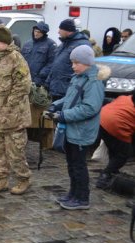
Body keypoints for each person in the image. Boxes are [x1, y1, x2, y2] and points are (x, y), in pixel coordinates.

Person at [44, 45, 109, 210]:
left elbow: (90, 108)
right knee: (72, 164)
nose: (73, 66)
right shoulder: (78, 77)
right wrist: (55, 106)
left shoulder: (94, 82)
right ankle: (73, 193)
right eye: (72, 62)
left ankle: (82, 198)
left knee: (79, 166)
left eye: (76, 63)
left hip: (82, 131)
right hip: (72, 130)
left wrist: (64, 115)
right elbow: (69, 98)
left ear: (86, 63)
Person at [0, 25, 32, 195]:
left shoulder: (16, 59)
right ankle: (1, 180)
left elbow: (23, 87)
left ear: (4, 42)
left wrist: (7, 108)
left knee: (15, 151)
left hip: (13, 117)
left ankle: (23, 179)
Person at [96, 90, 135, 188]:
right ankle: (105, 175)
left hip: (101, 119)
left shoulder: (124, 97)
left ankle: (112, 170)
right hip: (116, 124)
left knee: (114, 147)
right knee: (124, 153)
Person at [45, 19, 90, 101]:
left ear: (67, 30)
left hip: (67, 90)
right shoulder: (64, 44)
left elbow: (83, 68)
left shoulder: (81, 44)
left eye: (60, 29)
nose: (58, 32)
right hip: (56, 88)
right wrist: (47, 82)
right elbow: (56, 64)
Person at [21, 21, 57, 87]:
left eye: (39, 32)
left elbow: (51, 63)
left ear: (43, 33)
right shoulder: (27, 44)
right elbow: (21, 61)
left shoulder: (51, 45)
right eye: (35, 31)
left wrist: (41, 75)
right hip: (25, 79)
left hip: (40, 82)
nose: (36, 34)